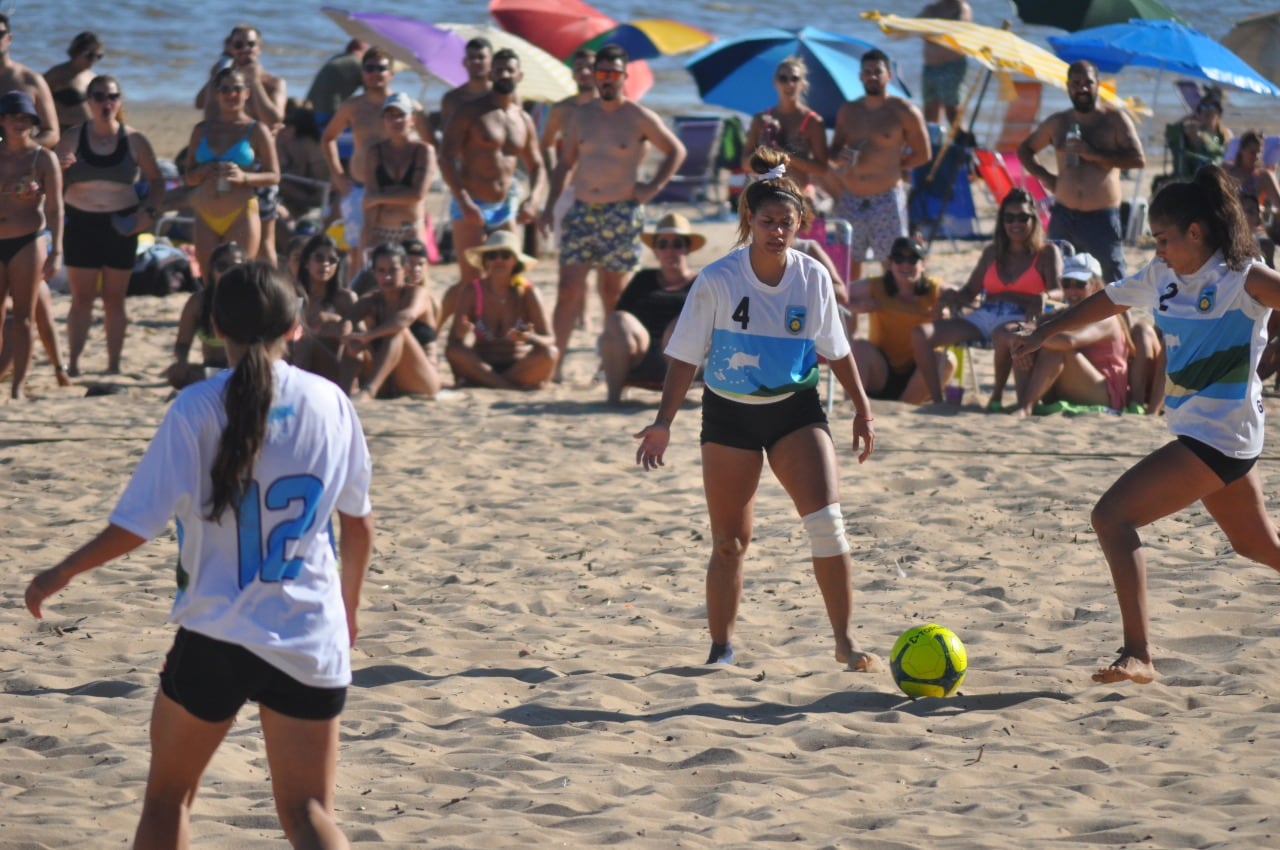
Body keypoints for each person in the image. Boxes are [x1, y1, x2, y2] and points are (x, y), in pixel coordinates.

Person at [25, 262, 373, 848]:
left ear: (215, 326)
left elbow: (137, 524)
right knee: (309, 811)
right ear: (295, 326)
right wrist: (349, 607)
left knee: (167, 800)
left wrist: (60, 572)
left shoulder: (198, 405)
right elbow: (359, 524)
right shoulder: (331, 402)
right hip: (310, 631)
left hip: (217, 631)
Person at [1010, 166, 1280, 686]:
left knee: (1111, 518)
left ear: (1196, 233)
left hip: (1218, 439)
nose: (1157, 250)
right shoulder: (1164, 277)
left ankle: (1138, 653)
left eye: (1163, 239)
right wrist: (1047, 329)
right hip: (1208, 435)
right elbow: (1106, 300)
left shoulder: (1243, 277)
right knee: (1257, 547)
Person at [633, 148, 881, 672]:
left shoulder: (812, 277)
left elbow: (836, 350)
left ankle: (845, 640)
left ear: (799, 224)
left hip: (795, 410)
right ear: (749, 220)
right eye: (766, 221)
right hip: (728, 416)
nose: (776, 231)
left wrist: (863, 411)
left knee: (828, 525)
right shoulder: (719, 279)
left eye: (786, 223)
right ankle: (721, 647)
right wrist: (662, 423)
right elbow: (684, 356)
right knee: (730, 543)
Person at [540, 45, 686, 381]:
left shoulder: (637, 117)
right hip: (581, 211)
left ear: (623, 77)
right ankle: (555, 366)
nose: (606, 80)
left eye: (613, 74)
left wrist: (651, 188)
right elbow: (565, 164)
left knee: (612, 293)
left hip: (621, 212)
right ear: (594, 75)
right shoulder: (580, 115)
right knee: (567, 288)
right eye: (601, 73)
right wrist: (549, 206)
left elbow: (675, 150)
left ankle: (611, 362)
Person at [909, 188, 1061, 406]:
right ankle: (936, 399)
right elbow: (970, 292)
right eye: (1009, 218)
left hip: (1020, 316)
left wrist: (1043, 296)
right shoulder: (992, 252)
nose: (1015, 223)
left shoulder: (1046, 252)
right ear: (1002, 221)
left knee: (1006, 334)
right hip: (985, 314)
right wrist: (948, 298)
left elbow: (1060, 291)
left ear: (1033, 220)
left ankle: (996, 396)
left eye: (1022, 217)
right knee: (920, 333)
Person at [56, 75, 165, 377]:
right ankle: (75, 365)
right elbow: (49, 179)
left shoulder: (134, 140)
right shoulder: (73, 137)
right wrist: (59, 167)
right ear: (88, 102)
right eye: (99, 97)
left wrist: (149, 214)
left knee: (114, 300)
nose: (106, 103)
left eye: (112, 97)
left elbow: (157, 181)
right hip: (81, 222)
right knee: (81, 299)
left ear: (120, 101)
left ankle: (113, 365)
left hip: (122, 224)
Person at [438, 48, 544, 330]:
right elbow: (445, 156)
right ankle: (436, 329)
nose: (504, 74)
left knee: (508, 277)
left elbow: (537, 165)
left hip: (506, 202)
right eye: (499, 70)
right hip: (471, 200)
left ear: (519, 75)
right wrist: (462, 200)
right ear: (491, 73)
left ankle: (498, 334)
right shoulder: (470, 112)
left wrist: (533, 200)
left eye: (510, 70)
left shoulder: (522, 119)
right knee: (470, 280)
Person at [1017, 59, 1145, 285]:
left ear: (1098, 85)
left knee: (1113, 281)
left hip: (1102, 216)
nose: (1082, 89)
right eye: (1076, 83)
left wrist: (1093, 154)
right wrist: (1046, 177)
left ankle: (1122, 321)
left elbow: (1137, 159)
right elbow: (1025, 150)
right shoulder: (1058, 122)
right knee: (1055, 278)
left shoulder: (1114, 120)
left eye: (1088, 83)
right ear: (1068, 86)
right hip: (1064, 214)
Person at [828, 49, 931, 284]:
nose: (872, 77)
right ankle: (849, 316)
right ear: (860, 76)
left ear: (889, 76)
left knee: (894, 262)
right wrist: (840, 157)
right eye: (867, 72)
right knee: (847, 265)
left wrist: (895, 164)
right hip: (851, 197)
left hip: (886, 198)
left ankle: (890, 312)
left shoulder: (903, 111)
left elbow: (924, 154)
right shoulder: (849, 110)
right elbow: (833, 151)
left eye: (877, 72)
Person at [321, 47, 431, 261]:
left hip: (399, 190)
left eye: (381, 68)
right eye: (369, 68)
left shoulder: (408, 107)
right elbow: (327, 139)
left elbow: (430, 144)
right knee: (358, 251)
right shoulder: (352, 106)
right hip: (361, 186)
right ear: (362, 74)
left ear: (391, 74)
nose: (374, 73)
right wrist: (338, 175)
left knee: (404, 253)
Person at [195, 25, 288, 266]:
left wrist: (254, 83)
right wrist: (217, 76)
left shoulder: (273, 83)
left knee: (266, 245)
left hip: (259, 168)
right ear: (229, 48)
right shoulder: (224, 85)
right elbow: (205, 112)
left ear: (260, 48)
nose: (245, 50)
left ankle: (270, 298)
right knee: (223, 248)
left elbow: (273, 119)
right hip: (225, 168)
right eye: (239, 45)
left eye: (250, 44)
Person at [183, 66, 280, 275]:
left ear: (247, 93)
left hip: (240, 213)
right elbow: (188, 177)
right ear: (216, 94)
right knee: (209, 280)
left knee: (237, 279)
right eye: (225, 90)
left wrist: (244, 177)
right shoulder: (201, 130)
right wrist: (202, 172)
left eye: (237, 89)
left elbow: (274, 175)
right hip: (205, 211)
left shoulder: (256, 130)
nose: (231, 94)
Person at [1009, 252, 1132, 416]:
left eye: (1080, 284)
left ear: (1095, 285)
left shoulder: (1107, 317)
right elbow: (1020, 329)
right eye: (1066, 284)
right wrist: (1021, 337)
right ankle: (1022, 404)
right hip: (1076, 385)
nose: (1072, 291)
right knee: (1024, 345)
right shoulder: (1064, 314)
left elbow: (1069, 341)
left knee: (1055, 347)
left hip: (1105, 393)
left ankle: (1025, 407)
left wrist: (1030, 336)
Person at [599, 212, 704, 404]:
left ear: (687, 248)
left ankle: (674, 396)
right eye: (662, 244)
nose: (669, 250)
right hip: (641, 352)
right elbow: (621, 319)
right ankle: (613, 399)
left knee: (682, 324)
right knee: (617, 319)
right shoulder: (643, 279)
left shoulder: (702, 283)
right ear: (655, 250)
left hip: (685, 357)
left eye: (677, 244)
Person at [0, 90, 62, 400]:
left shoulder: (42, 157)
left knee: (25, 316)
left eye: (25, 118)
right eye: (13, 116)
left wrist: (57, 251)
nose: (18, 123)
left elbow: (55, 209)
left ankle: (18, 386)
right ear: (2, 120)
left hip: (29, 239)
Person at [445, 230, 556, 390]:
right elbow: (453, 343)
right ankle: (509, 386)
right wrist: (460, 333)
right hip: (482, 364)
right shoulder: (472, 291)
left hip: (518, 365)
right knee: (454, 351)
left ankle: (493, 383)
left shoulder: (527, 292)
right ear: (485, 261)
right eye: (492, 255)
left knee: (550, 353)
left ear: (515, 261)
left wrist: (531, 337)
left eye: (505, 255)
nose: (498, 260)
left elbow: (549, 339)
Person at [848, 235, 953, 404]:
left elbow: (966, 298)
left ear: (923, 264)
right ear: (889, 263)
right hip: (881, 373)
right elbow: (835, 294)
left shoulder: (933, 289)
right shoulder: (877, 286)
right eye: (899, 258)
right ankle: (852, 405)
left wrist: (947, 310)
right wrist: (855, 307)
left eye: (912, 259)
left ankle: (904, 407)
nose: (905, 264)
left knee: (945, 359)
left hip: (919, 375)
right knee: (859, 347)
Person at [339, 242, 441, 400]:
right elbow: (348, 320)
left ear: (405, 270)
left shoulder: (416, 293)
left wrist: (368, 336)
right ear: (374, 273)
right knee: (354, 343)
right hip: (388, 381)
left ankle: (369, 391)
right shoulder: (371, 299)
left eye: (393, 270)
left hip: (422, 380)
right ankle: (342, 392)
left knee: (397, 331)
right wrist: (347, 337)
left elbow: (405, 318)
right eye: (381, 271)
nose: (387, 277)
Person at [361, 92, 435, 260]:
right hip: (380, 231)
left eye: (401, 115)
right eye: (390, 116)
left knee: (415, 284)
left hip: (411, 230)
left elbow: (417, 194)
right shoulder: (375, 152)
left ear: (413, 120)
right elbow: (369, 202)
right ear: (383, 121)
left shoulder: (423, 151)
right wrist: (366, 240)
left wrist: (379, 197)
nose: (396, 121)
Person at [164, 242, 246, 390]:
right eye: (222, 266)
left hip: (244, 370)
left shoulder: (254, 301)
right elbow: (182, 343)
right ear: (212, 270)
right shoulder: (198, 303)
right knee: (176, 373)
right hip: (211, 369)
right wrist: (181, 362)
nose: (228, 271)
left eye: (235, 267)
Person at [742, 57, 828, 192]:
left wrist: (786, 155)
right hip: (765, 195)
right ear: (775, 83)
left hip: (798, 194)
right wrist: (764, 155)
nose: (789, 84)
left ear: (803, 84)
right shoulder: (761, 119)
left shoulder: (813, 122)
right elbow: (745, 164)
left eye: (794, 79)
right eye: (783, 79)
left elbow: (822, 169)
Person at [538, 48, 597, 244]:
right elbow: (546, 143)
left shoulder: (611, 108)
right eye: (579, 68)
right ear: (572, 74)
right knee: (568, 255)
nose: (585, 72)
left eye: (590, 67)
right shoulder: (562, 109)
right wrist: (552, 173)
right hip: (569, 190)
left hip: (604, 189)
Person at [291, 233, 356, 383]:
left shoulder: (344, 298)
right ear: (306, 262)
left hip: (335, 367)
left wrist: (335, 319)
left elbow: (361, 338)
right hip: (301, 363)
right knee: (302, 340)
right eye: (319, 258)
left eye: (332, 260)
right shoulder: (296, 296)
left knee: (306, 340)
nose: (325, 264)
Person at [0, 13, 59, 148]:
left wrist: (20, 151)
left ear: (9, 38)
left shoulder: (31, 80)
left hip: (20, 164)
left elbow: (51, 132)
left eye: (0, 34)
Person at [917, 0, 972, 126]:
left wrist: (930, 30)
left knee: (952, 110)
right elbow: (911, 25)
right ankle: (934, 141)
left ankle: (960, 140)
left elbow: (957, 28)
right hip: (930, 67)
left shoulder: (960, 8)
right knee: (930, 109)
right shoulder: (931, 9)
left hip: (951, 65)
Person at [276, 103, 331, 227]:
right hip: (322, 192)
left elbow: (298, 173)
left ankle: (290, 220)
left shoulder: (302, 145)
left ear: (294, 127)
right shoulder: (314, 141)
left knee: (278, 181)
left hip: (315, 196)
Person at [43, 31, 102, 132]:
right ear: (77, 51)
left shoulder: (93, 77)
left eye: (98, 56)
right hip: (62, 132)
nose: (94, 60)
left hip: (88, 133)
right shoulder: (58, 73)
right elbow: (37, 98)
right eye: (89, 55)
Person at [304, 38, 366, 129]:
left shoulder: (337, 58)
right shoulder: (358, 63)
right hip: (329, 111)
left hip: (310, 107)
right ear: (362, 50)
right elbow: (371, 92)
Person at [438, 37, 493, 135]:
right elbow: (447, 138)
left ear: (491, 62)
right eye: (471, 57)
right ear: (464, 62)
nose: (476, 61)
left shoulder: (502, 96)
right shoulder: (452, 99)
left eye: (481, 57)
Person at [1176, 89, 1231, 178]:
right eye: (1203, 107)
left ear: (1218, 112)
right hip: (1201, 176)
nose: (1207, 111)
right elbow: (1172, 132)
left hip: (1221, 174)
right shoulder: (1195, 132)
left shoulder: (1226, 133)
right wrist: (1187, 117)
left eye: (1211, 107)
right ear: (1198, 113)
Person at [1224, 129, 1280, 216]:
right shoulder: (1228, 171)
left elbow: (1278, 202)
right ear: (1242, 150)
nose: (1256, 157)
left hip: (1253, 221)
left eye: (1259, 152)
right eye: (1252, 152)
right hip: (1230, 218)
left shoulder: (1263, 176)